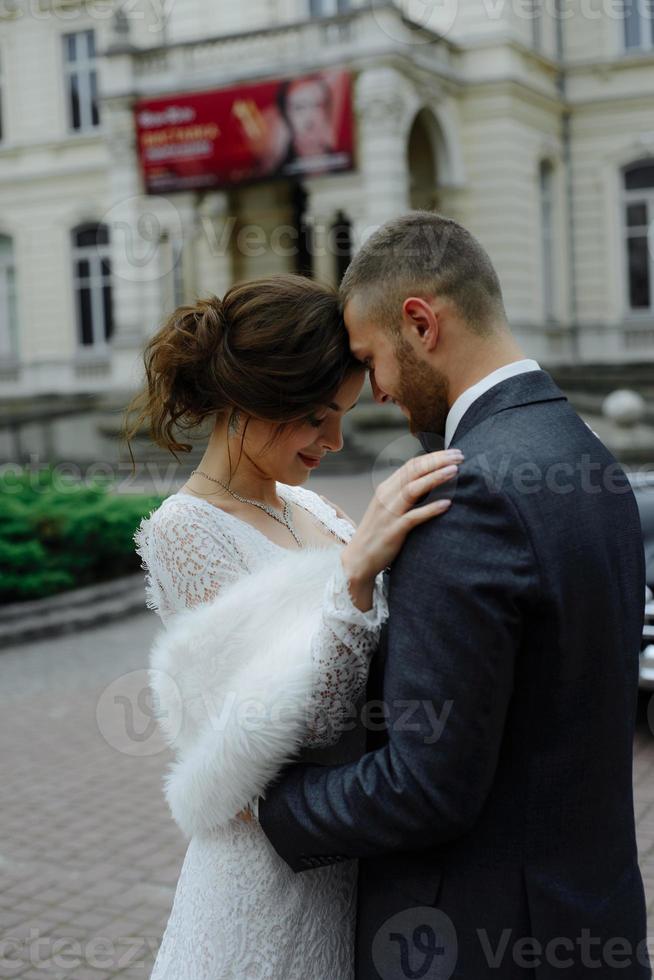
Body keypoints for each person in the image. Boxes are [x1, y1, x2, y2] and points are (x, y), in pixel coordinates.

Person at [252, 213, 651, 978]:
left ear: (421, 322)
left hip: (478, 937)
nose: (375, 390)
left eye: (373, 360)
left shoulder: (464, 492)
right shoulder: (588, 452)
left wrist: (273, 808)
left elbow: (424, 787)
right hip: (591, 916)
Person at [124, 273, 458, 978]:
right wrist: (356, 581)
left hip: (346, 860)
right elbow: (289, 730)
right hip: (263, 890)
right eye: (314, 416)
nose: (335, 440)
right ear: (249, 401)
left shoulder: (319, 510)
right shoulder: (184, 532)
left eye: (340, 414)